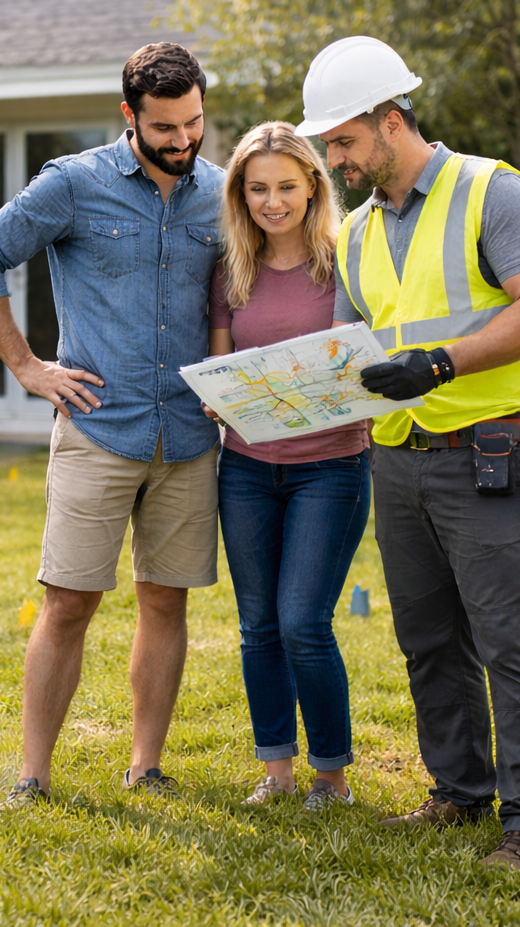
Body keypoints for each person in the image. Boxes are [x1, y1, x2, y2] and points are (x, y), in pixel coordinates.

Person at [298, 36, 520, 869]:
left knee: (509, 637)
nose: (334, 160)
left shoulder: (494, 191)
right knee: (427, 637)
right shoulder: (356, 231)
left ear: (391, 120)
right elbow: (358, 346)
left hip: (495, 448)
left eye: (343, 141)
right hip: (400, 456)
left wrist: (443, 363)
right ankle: (458, 790)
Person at [0, 43, 226, 808]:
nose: (183, 142)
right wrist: (28, 367)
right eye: (166, 127)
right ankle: (33, 775)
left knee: (165, 600)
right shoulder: (74, 184)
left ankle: (146, 763)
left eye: (195, 123)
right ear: (129, 115)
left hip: (192, 439)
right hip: (99, 429)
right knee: (68, 600)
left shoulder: (222, 193)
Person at [204, 123, 371, 810]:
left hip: (330, 469)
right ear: (241, 195)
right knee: (259, 624)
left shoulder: (345, 264)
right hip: (244, 469)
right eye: (258, 188)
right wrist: (220, 398)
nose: (272, 202)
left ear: (313, 188)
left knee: (304, 620)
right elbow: (221, 362)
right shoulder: (230, 272)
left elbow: (359, 365)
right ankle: (275, 771)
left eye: (286, 187)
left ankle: (330, 775)